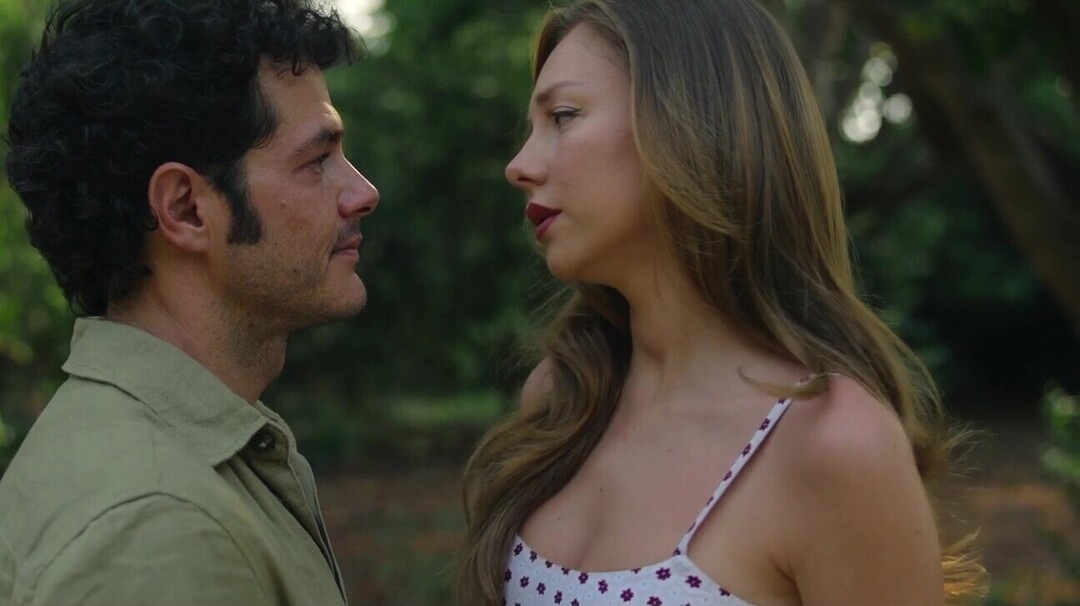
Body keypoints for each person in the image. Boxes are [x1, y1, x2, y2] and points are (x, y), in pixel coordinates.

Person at [457, 1, 985, 604]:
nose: (519, 166)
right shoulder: (564, 398)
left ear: (688, 124)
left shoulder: (833, 442)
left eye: (563, 116)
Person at [0, 0, 377, 604]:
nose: (362, 192)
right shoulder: (155, 527)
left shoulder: (173, 459)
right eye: (316, 161)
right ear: (184, 208)